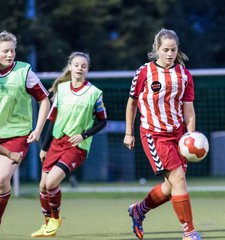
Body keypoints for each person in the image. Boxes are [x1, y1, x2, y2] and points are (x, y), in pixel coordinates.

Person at [123, 28, 202, 240]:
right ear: (156, 50)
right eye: (165, 49)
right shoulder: (144, 72)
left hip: (178, 135)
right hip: (154, 134)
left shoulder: (184, 75)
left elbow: (188, 109)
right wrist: (128, 132)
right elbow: (132, 104)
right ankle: (189, 231)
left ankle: (139, 210)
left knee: (170, 188)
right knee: (178, 179)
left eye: (173, 50)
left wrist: (190, 137)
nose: (169, 54)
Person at [31, 52, 107, 237]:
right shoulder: (62, 89)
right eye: (77, 65)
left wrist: (84, 135)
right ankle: (48, 224)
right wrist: (44, 147)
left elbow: (103, 121)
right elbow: (52, 120)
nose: (80, 68)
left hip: (77, 146)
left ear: (88, 69)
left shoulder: (95, 93)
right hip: (57, 142)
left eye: (84, 65)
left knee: (51, 183)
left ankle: (55, 218)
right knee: (42, 186)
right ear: (70, 67)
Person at [0, 30, 50, 225]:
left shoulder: (23, 72)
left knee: (2, 178)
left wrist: (37, 130)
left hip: (16, 135)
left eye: (12, 51)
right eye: (5, 51)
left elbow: (45, 99)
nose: (10, 55)